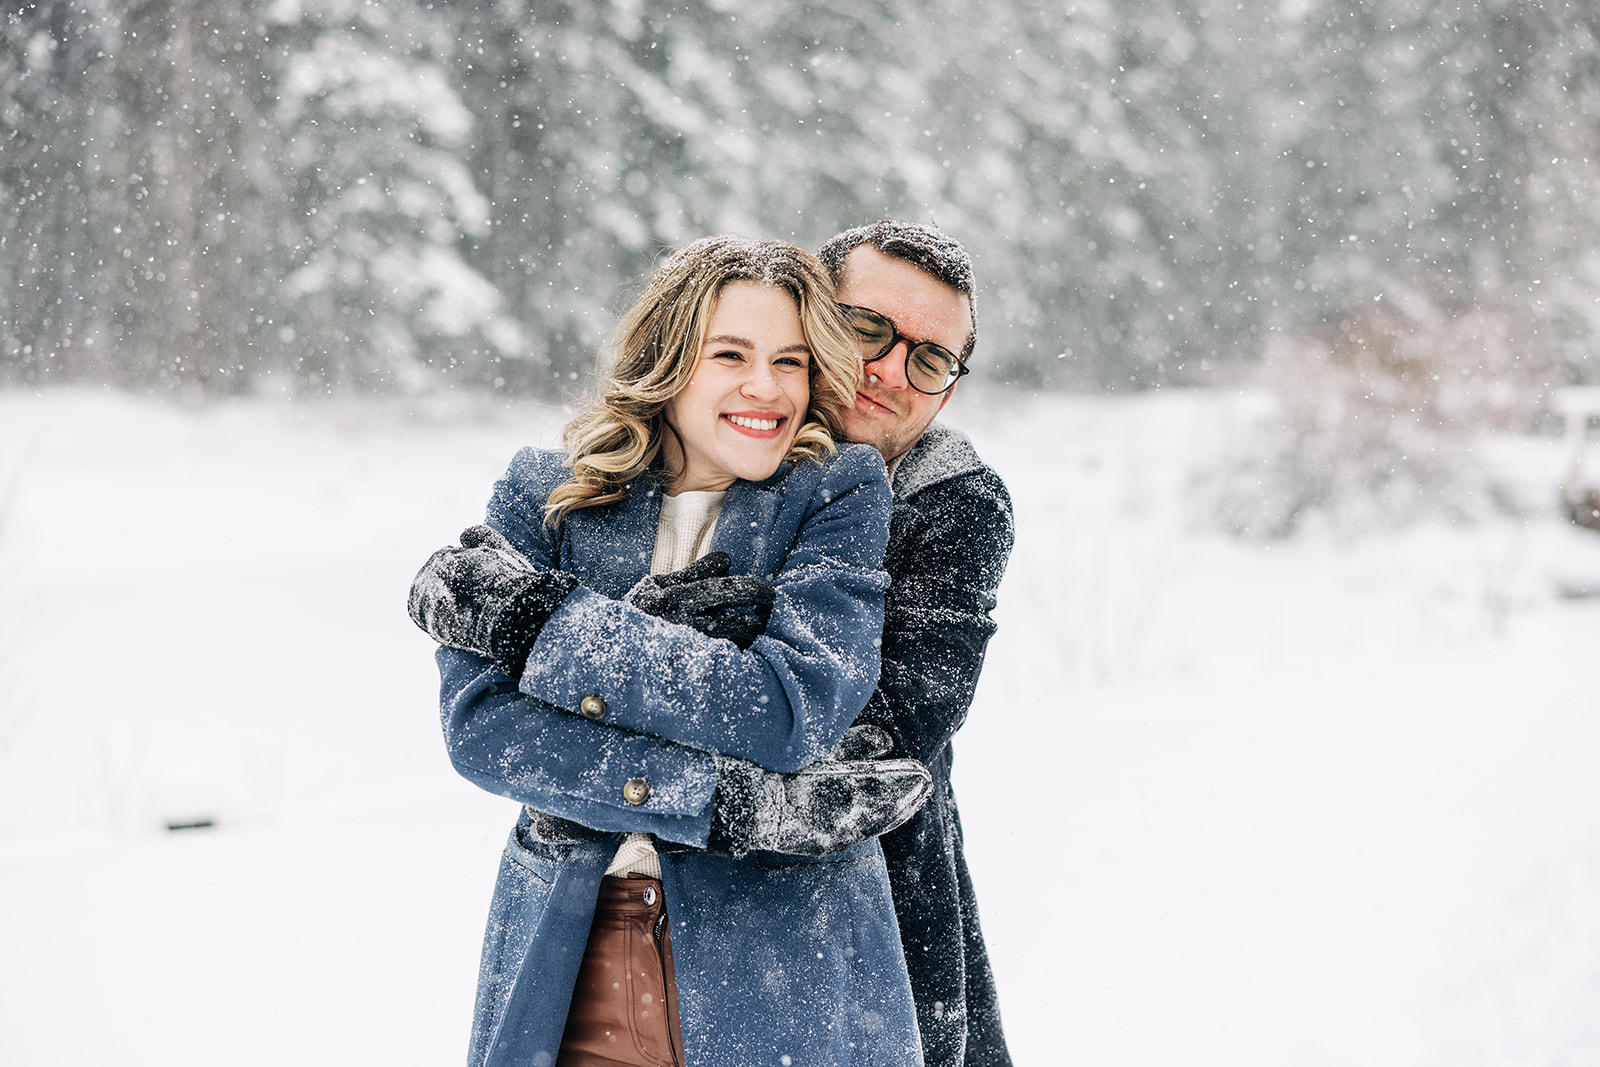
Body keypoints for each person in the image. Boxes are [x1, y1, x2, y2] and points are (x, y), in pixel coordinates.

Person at [409, 235, 936, 1067]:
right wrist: (718, 802)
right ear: (671, 358)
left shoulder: (837, 492)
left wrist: (552, 626)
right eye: (730, 353)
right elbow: (483, 728)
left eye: (791, 362)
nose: (765, 387)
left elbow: (785, 710)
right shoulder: (545, 494)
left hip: (782, 961)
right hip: (575, 945)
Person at [815, 221, 1015, 1067]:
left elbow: (884, 741)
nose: (891, 370)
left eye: (930, 358)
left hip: (883, 919)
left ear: (949, 390)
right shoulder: (709, 447)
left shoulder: (955, 503)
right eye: (868, 329)